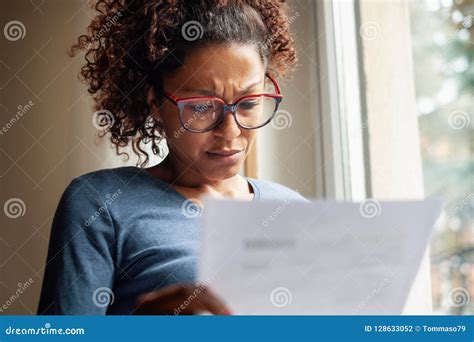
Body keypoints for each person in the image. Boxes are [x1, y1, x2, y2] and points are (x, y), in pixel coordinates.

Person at [38, 0, 307, 315]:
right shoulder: (103, 204)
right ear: (155, 103)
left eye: (248, 103)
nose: (231, 131)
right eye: (202, 107)